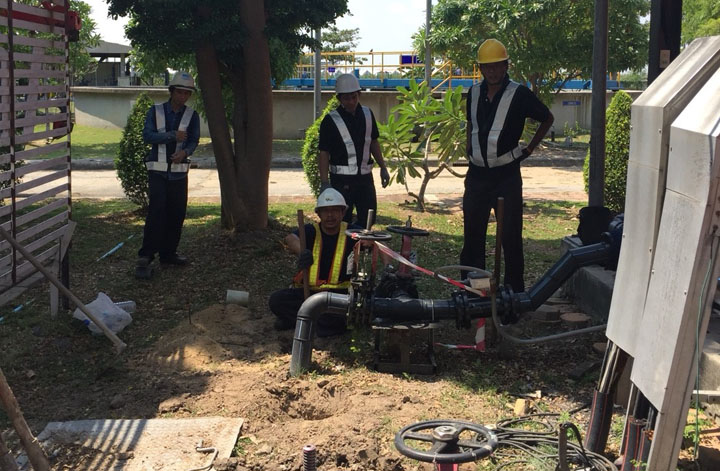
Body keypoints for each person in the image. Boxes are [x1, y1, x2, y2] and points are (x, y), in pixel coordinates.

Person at [460, 39, 554, 293]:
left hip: (506, 176)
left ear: (506, 66)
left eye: (497, 66)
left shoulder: (519, 94)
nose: (492, 71)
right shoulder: (474, 93)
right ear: (481, 68)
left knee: (510, 237)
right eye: (487, 66)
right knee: (472, 236)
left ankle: (514, 294)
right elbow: (471, 123)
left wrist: (529, 148)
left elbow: (547, 118)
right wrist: (469, 147)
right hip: (477, 175)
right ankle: (475, 291)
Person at [268, 188, 360, 337]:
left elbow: (375, 242)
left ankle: (302, 320)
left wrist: (388, 266)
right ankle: (316, 322)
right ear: (319, 214)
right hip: (309, 294)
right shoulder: (311, 231)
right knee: (277, 300)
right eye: (325, 211)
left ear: (343, 213)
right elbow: (290, 239)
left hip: (338, 296)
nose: (330, 215)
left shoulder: (352, 232)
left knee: (345, 312)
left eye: (335, 210)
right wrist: (302, 252)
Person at [135, 71, 200, 279]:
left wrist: (185, 152)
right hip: (157, 172)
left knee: (177, 213)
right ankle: (146, 254)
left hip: (179, 174)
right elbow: (147, 136)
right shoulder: (155, 112)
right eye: (180, 92)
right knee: (156, 213)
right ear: (171, 91)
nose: (183, 96)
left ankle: (169, 253)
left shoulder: (191, 115)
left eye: (187, 93)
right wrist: (172, 135)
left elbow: (194, 140)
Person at [318, 73, 390, 228]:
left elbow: (373, 142)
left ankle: (361, 244)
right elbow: (323, 152)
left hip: (365, 179)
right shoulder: (330, 120)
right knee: (342, 222)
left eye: (354, 97)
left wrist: (383, 167)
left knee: (369, 219)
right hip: (341, 181)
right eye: (346, 98)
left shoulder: (368, 114)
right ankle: (344, 245)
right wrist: (324, 182)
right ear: (339, 98)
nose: (351, 101)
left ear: (359, 94)